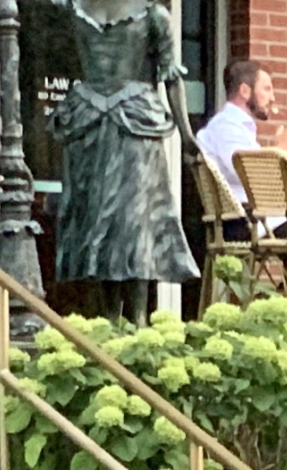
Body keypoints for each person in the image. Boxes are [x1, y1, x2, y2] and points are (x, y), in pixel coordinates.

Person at [51, 0, 199, 320]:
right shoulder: (75, 10)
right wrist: (186, 135)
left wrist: (187, 135)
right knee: (96, 224)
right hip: (92, 126)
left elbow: (170, 76)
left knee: (134, 223)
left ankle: (138, 317)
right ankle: (106, 318)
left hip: (132, 126)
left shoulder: (152, 16)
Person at [194, 58, 287, 216]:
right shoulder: (226, 126)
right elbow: (250, 175)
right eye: (267, 89)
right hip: (247, 223)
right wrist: (283, 149)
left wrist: (278, 151)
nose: (272, 98)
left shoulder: (236, 127)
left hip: (258, 221)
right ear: (245, 91)